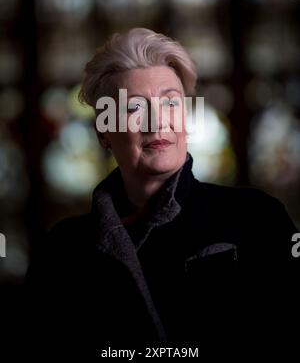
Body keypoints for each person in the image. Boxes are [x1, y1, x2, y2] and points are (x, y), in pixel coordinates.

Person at [25, 28, 299, 359]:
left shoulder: (257, 217)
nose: (158, 122)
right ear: (104, 132)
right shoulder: (62, 250)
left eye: (171, 102)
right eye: (133, 108)